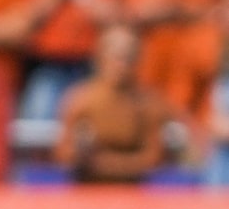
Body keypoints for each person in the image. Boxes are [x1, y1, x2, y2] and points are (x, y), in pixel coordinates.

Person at [57, 24, 201, 181]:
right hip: (88, 192)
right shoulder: (80, 100)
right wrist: (81, 153)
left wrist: (102, 164)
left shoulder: (149, 103)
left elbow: (153, 158)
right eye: (116, 56)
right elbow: (65, 155)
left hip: (134, 195)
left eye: (129, 57)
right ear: (100, 57)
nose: (122, 65)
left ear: (138, 60)